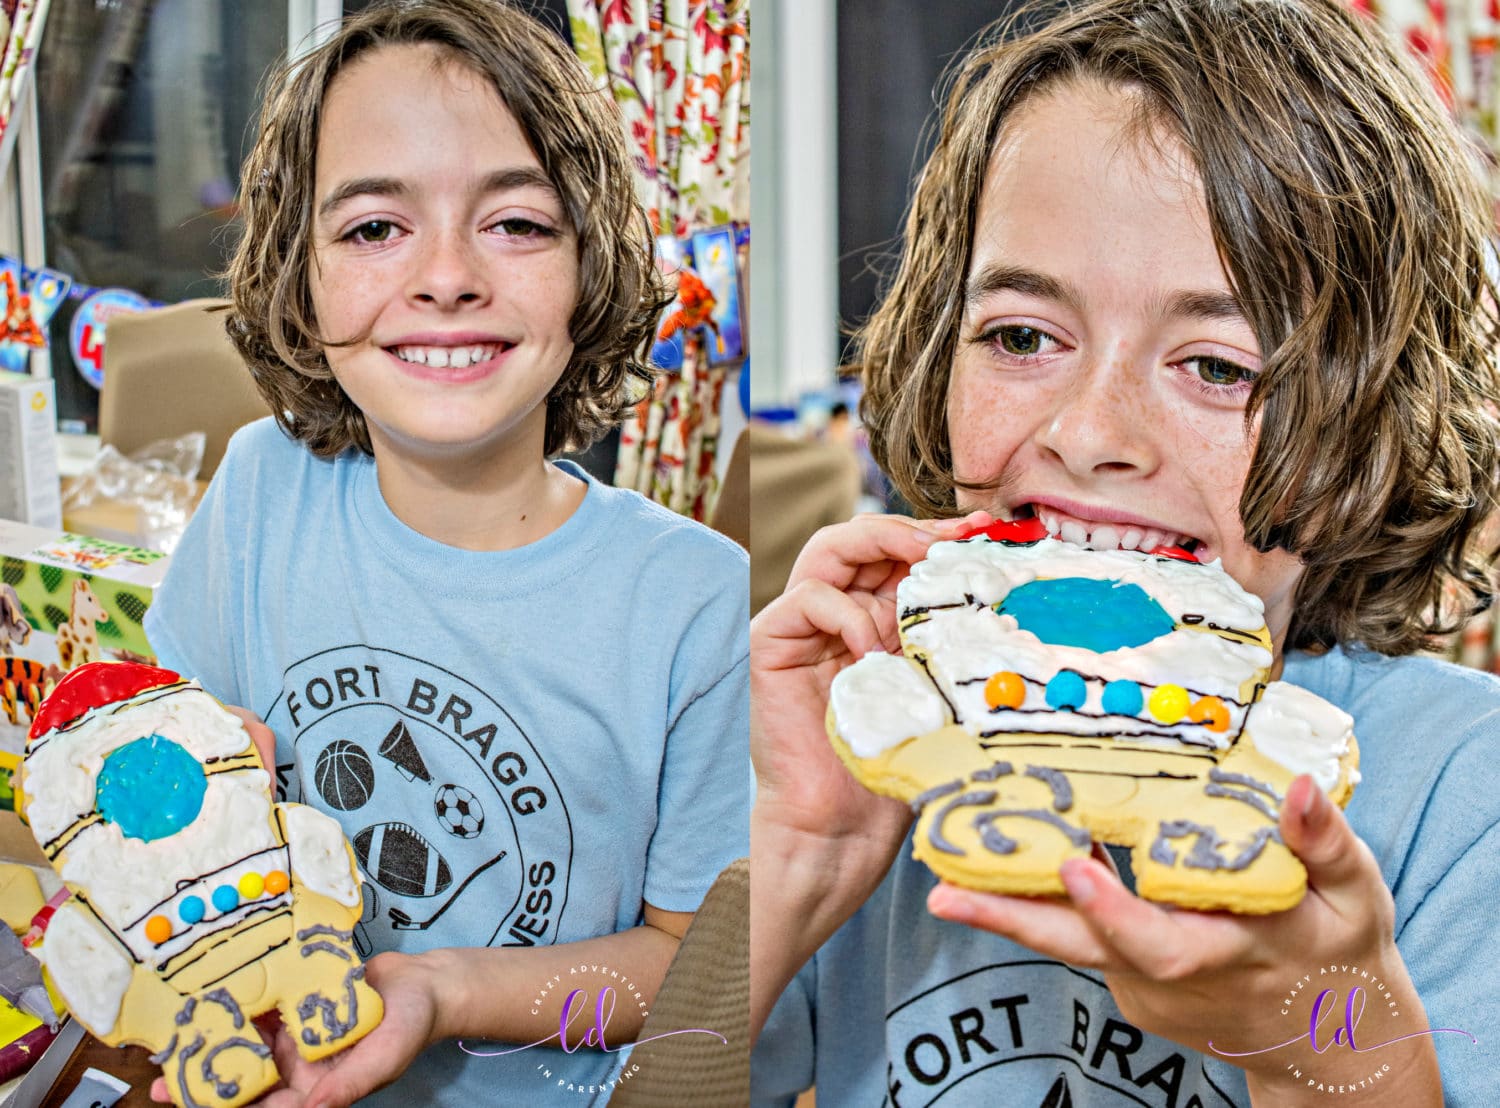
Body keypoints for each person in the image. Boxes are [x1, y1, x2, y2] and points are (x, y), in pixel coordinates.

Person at [749, 0, 1500, 1104]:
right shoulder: (865, 746)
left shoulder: (1460, 793)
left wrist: (1322, 1046)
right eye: (1021, 337)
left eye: (1218, 366)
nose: (1089, 433)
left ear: (1368, 418)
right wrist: (793, 861)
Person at [142, 2, 749, 1105]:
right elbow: (175, 795)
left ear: (589, 260)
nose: (447, 277)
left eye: (515, 223)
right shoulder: (258, 491)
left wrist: (442, 988)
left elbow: (678, 970)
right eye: (375, 228)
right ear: (302, 270)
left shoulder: (696, 600)